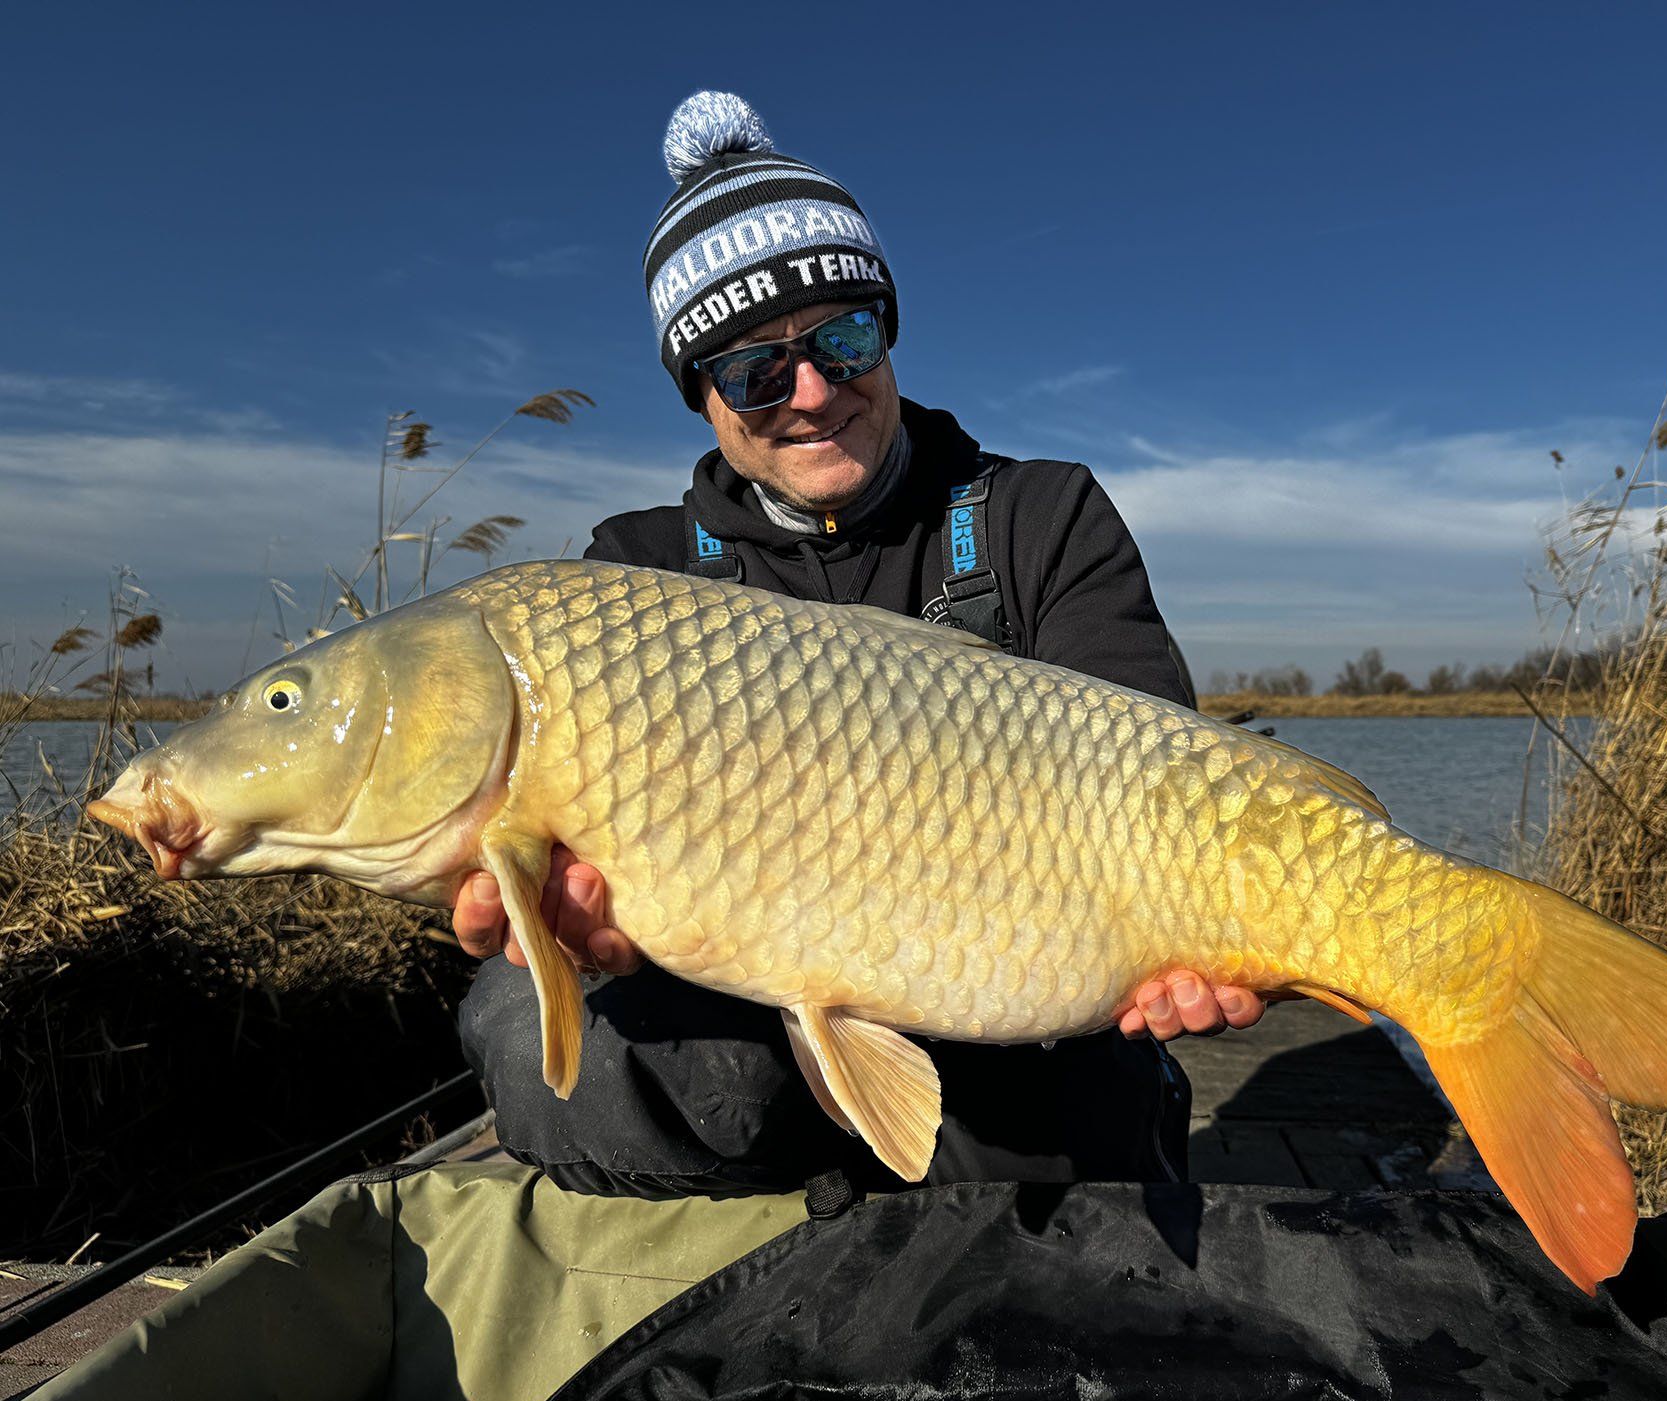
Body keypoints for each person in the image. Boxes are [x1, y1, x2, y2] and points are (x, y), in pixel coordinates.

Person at [452, 92, 1268, 1199]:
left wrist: (1209, 944)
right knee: (534, 1024)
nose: (814, 391)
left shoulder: (1041, 516)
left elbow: (1171, 784)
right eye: (753, 371)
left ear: (887, 334)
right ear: (700, 396)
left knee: (1074, 1121)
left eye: (844, 338)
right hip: (757, 1031)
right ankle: (787, 1234)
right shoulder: (627, 572)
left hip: (1031, 1013)